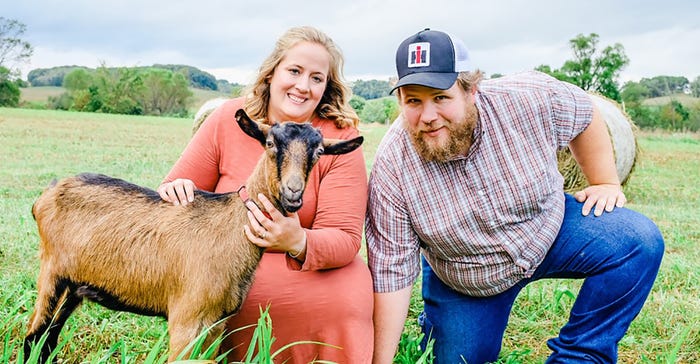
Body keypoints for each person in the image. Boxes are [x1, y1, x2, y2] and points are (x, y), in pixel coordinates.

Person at [366, 28, 665, 364]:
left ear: (471, 89)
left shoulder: (528, 97)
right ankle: (439, 324)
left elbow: (585, 111)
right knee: (455, 360)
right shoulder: (392, 166)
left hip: (545, 230)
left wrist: (607, 181)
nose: (428, 116)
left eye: (440, 97)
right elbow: (391, 272)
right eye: (413, 101)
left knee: (639, 241)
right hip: (466, 274)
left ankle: (580, 355)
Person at [157, 26, 373, 363]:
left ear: (326, 88)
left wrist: (298, 241)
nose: (303, 86)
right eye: (295, 71)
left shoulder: (338, 138)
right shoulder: (229, 119)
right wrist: (175, 188)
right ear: (272, 73)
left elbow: (345, 237)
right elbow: (176, 186)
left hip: (310, 264)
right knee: (216, 289)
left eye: (317, 78)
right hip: (227, 260)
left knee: (345, 297)